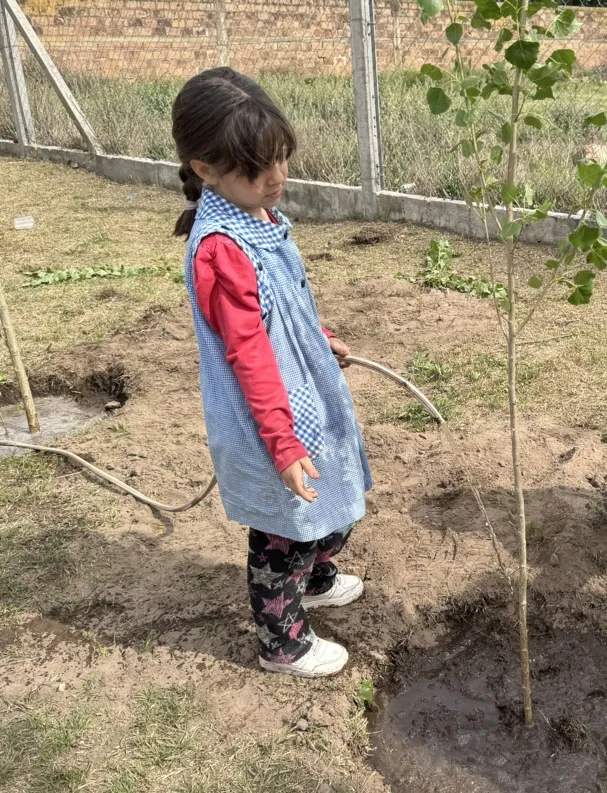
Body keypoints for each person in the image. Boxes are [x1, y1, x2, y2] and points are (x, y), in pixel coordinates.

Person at [171, 68, 372, 677]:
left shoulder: (259, 217)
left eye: (281, 157)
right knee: (281, 530)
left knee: (332, 502)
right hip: (267, 416)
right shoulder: (219, 249)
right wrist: (281, 444)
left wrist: (323, 338)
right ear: (205, 167)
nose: (278, 177)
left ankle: (313, 579)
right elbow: (251, 353)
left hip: (306, 391)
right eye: (258, 166)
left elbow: (291, 305)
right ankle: (281, 641)